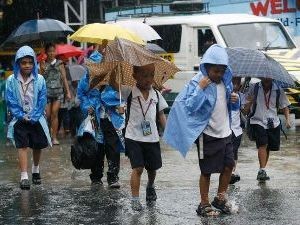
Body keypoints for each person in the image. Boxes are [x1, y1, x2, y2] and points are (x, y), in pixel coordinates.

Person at [163, 44, 238, 216]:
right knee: (207, 170)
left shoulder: (226, 83)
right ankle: (203, 204)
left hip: (225, 132)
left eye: (221, 71)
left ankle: (220, 199)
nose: (218, 74)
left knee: (229, 166)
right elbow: (190, 106)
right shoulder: (199, 81)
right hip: (208, 134)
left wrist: (235, 100)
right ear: (207, 67)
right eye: (215, 71)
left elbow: (230, 107)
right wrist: (200, 88)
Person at [119, 64, 168, 211]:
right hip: (133, 136)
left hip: (152, 137)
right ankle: (135, 199)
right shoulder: (129, 92)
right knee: (138, 168)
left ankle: (150, 186)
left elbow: (161, 115)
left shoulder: (156, 95)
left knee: (152, 169)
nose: (149, 79)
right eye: (144, 75)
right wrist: (116, 69)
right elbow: (115, 86)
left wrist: (168, 131)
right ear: (135, 76)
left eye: (151, 75)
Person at [5, 46, 51, 190]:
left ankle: (35, 169)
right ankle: (24, 176)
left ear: (34, 64)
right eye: (23, 62)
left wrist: (35, 116)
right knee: (22, 145)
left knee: (37, 145)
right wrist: (20, 115)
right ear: (18, 63)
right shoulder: (11, 80)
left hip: (36, 118)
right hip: (19, 119)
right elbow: (10, 100)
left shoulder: (40, 79)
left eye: (30, 62)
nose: (27, 65)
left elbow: (42, 99)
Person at [244, 78, 291, 182]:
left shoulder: (278, 89)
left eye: (268, 77)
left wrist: (287, 120)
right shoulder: (254, 88)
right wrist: (250, 102)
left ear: (272, 77)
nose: (266, 78)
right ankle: (262, 170)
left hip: (273, 122)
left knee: (268, 147)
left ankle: (262, 170)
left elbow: (285, 106)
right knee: (263, 144)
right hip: (257, 120)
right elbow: (245, 106)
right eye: (264, 76)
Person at [40, 43, 71, 145]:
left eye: (53, 51)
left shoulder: (60, 63)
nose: (51, 53)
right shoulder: (43, 63)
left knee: (54, 113)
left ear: (55, 52)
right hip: (46, 92)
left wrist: (68, 92)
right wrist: (42, 67)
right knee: (47, 115)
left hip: (58, 92)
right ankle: (47, 135)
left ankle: (54, 137)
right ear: (46, 52)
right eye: (49, 51)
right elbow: (41, 78)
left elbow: (64, 78)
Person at [230, 77, 244, 184]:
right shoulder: (226, 95)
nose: (235, 85)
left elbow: (244, 110)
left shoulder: (241, 96)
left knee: (234, 150)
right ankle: (228, 171)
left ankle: (232, 172)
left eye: (237, 83)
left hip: (237, 129)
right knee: (228, 151)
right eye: (233, 83)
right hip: (226, 129)